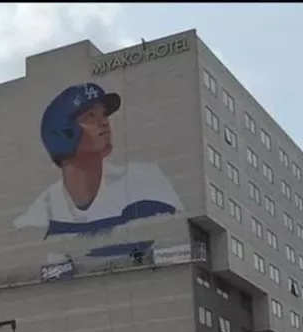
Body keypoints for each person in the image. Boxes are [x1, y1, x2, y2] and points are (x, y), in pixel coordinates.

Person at [15, 81, 184, 264]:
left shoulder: (146, 179)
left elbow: (174, 239)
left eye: (103, 114)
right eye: (90, 116)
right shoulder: (39, 214)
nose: (104, 122)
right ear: (64, 133)